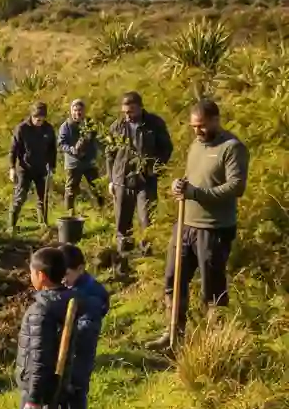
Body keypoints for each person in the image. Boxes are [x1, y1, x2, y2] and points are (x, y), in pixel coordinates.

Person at [147, 99, 249, 349]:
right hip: (185, 224)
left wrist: (196, 193)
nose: (197, 131)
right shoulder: (196, 144)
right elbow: (193, 177)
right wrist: (179, 185)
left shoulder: (231, 148)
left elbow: (236, 187)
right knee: (173, 279)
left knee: (211, 287)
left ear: (216, 119)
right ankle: (173, 332)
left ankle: (216, 340)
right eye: (194, 126)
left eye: (202, 126)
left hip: (213, 228)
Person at [15, 247, 73, 409]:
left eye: (31, 272)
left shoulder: (40, 311)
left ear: (41, 275)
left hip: (37, 386)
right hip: (59, 381)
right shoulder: (68, 301)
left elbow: (39, 358)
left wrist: (33, 399)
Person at [105, 91, 174, 257]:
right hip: (122, 179)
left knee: (147, 219)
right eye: (125, 112)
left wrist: (156, 166)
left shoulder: (155, 124)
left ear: (140, 108)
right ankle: (124, 256)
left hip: (146, 180)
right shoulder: (117, 126)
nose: (128, 116)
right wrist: (111, 180)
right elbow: (109, 154)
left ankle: (147, 257)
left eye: (131, 111)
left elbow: (167, 148)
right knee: (122, 221)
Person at [60, 244, 110, 409]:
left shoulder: (92, 294)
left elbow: (88, 328)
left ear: (80, 269)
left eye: (65, 274)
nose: (62, 279)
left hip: (80, 355)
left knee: (76, 392)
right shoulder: (67, 287)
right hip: (63, 354)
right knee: (61, 395)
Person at [9, 102, 57, 231]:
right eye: (37, 118)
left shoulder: (49, 129)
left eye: (42, 118)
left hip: (41, 168)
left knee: (43, 197)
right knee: (20, 197)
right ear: (32, 115)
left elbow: (53, 149)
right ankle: (11, 225)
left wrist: (52, 167)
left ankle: (43, 224)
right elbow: (13, 149)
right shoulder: (22, 129)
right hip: (24, 168)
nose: (39, 121)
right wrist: (12, 168)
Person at [57, 99, 105, 213]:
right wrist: (71, 149)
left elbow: (99, 140)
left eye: (80, 110)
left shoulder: (90, 124)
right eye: (75, 110)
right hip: (73, 163)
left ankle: (102, 211)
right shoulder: (66, 126)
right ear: (71, 111)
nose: (78, 113)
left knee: (97, 187)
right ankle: (69, 213)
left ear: (84, 111)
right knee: (71, 189)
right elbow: (61, 143)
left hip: (89, 161)